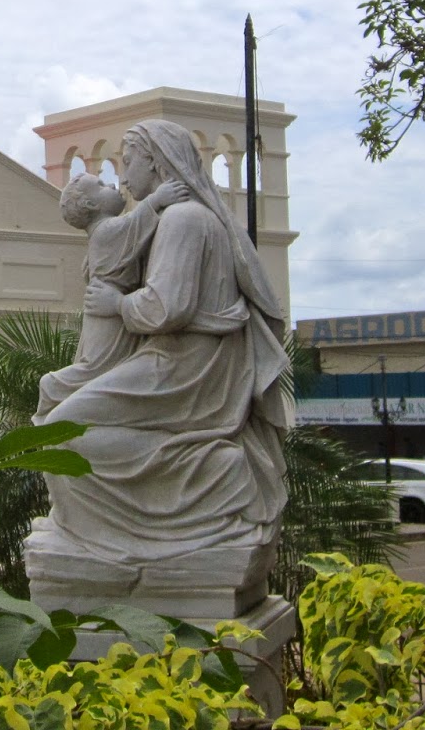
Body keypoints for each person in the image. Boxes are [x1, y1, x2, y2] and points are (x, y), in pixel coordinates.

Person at [28, 119, 291, 574]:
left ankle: (211, 481)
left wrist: (117, 302)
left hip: (186, 368)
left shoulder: (184, 219)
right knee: (58, 426)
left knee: (59, 432)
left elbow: (167, 309)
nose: (123, 177)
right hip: (181, 361)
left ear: (155, 159)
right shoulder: (176, 217)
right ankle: (143, 515)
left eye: (128, 162)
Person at [36, 171, 189, 418]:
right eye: (101, 185)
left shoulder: (102, 236)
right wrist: (157, 198)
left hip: (108, 311)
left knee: (100, 367)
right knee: (96, 367)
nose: (112, 184)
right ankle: (52, 392)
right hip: (107, 316)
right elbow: (134, 224)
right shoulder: (107, 231)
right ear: (90, 204)